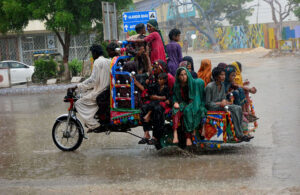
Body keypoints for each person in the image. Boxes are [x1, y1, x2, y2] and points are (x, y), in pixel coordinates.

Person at [70, 44, 111, 131]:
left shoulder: (97, 62)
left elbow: (93, 80)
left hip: (100, 92)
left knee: (78, 103)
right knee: (86, 97)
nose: (92, 56)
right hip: (106, 91)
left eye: (92, 53)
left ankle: (94, 125)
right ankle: (95, 119)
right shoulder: (108, 61)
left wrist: (77, 86)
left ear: (95, 53)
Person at [205, 67, 252, 141]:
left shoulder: (222, 85)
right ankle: (239, 135)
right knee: (234, 109)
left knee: (238, 108)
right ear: (216, 76)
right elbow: (207, 103)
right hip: (213, 107)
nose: (224, 76)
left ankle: (239, 132)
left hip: (222, 106)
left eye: (224, 75)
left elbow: (223, 97)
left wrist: (224, 100)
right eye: (221, 75)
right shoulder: (209, 87)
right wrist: (220, 103)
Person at [138, 60, 175, 144]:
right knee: (144, 108)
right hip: (154, 100)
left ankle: (155, 136)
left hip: (165, 102)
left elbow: (173, 92)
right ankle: (146, 133)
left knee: (157, 110)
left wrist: (168, 99)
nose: (154, 69)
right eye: (153, 67)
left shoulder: (169, 78)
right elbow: (149, 90)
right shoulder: (153, 77)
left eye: (156, 67)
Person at [172, 67, 206, 146]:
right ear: (178, 76)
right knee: (175, 110)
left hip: (193, 103)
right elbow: (174, 96)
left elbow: (196, 97)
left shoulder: (192, 84)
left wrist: (191, 104)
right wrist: (175, 102)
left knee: (188, 111)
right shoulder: (177, 85)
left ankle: (188, 137)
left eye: (185, 74)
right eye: (181, 75)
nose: (183, 77)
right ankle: (175, 133)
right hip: (182, 103)